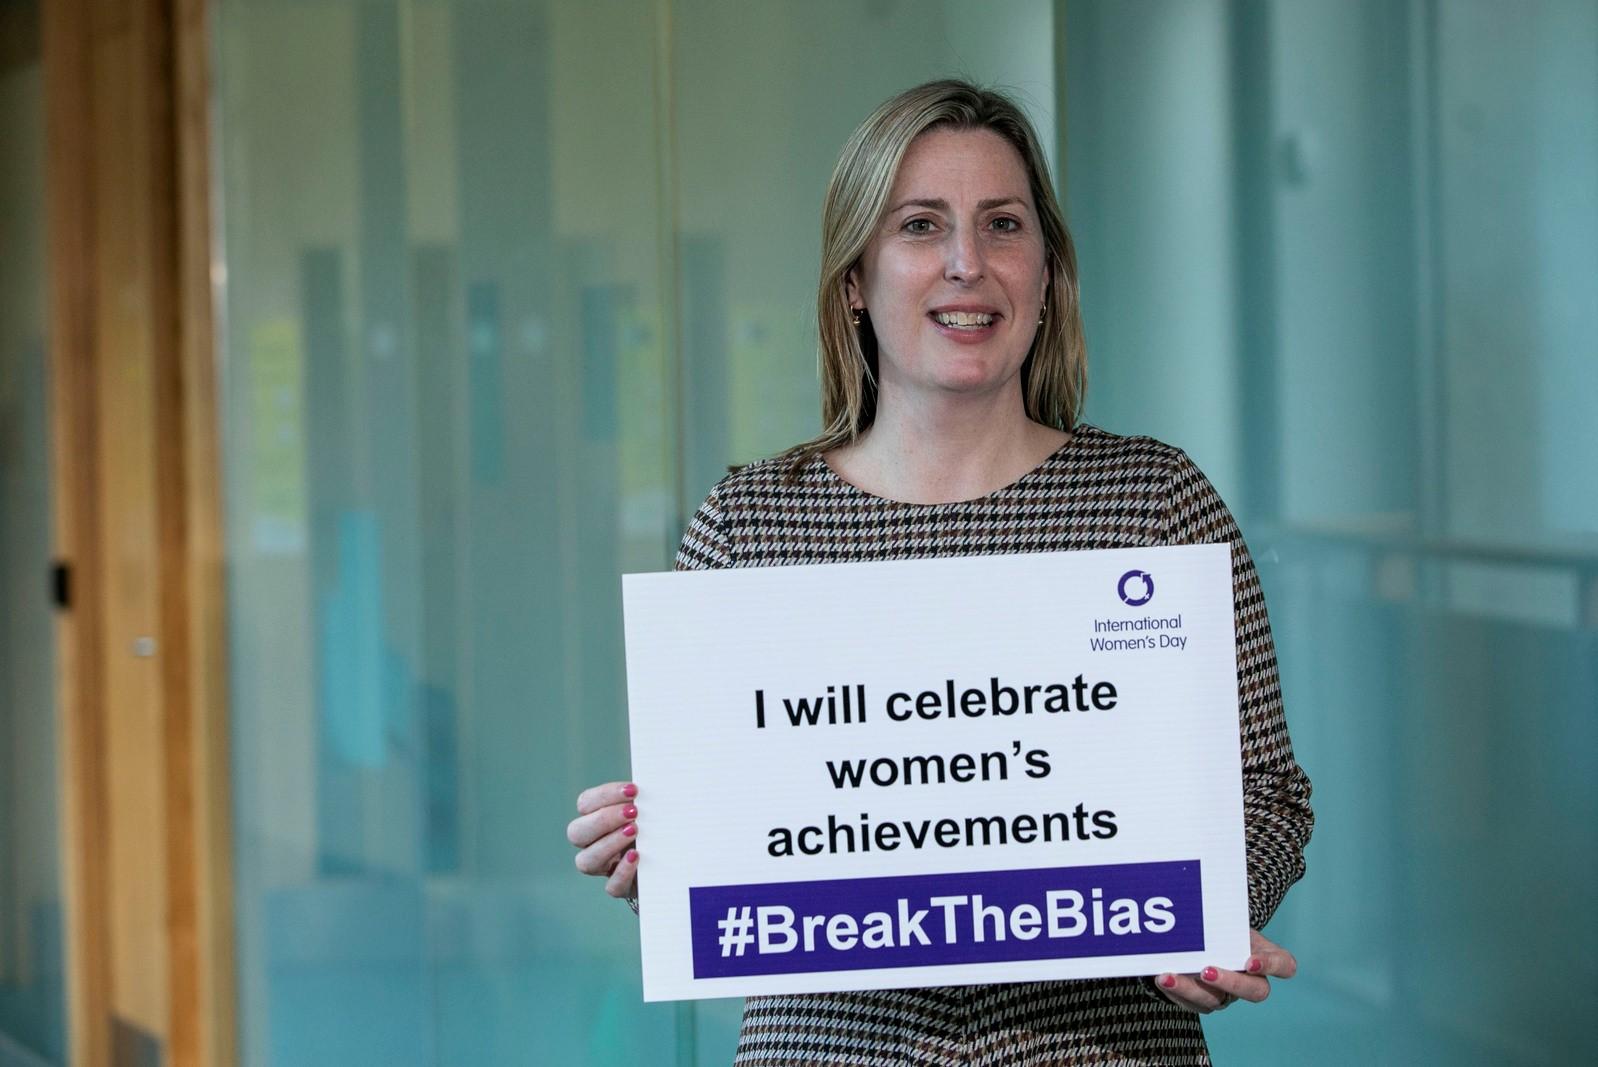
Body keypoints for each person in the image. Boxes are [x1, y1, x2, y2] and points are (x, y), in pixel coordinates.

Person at [567, 78, 1313, 1065]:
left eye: (1001, 225)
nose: (967, 263)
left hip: (1102, 1046)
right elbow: (733, 833)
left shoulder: (1155, 503)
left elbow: (1264, 791)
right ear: (854, 281)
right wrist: (648, 847)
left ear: (1045, 273)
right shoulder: (748, 525)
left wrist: (1210, 911)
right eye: (920, 226)